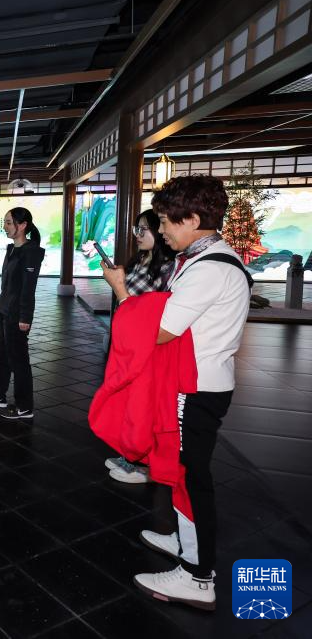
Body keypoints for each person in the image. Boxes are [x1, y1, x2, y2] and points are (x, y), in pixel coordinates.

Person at [102, 175, 250, 611]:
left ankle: (198, 576)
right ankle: (187, 544)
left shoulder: (208, 270)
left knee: (190, 478)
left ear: (193, 219)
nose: (162, 229)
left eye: (167, 220)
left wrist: (120, 291)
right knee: (182, 469)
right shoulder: (207, 258)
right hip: (200, 381)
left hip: (197, 387)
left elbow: (160, 331)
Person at [100, 209, 176, 484]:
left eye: (145, 229)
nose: (138, 235)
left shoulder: (167, 268)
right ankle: (131, 454)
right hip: (128, 341)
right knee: (129, 403)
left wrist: (119, 287)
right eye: (137, 229)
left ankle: (144, 464)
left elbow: (146, 310)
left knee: (146, 407)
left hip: (148, 345)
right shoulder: (140, 260)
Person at [0, 207, 45, 420]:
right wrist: (2, 300)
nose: (4, 227)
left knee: (18, 360)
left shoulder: (31, 252)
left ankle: (24, 406)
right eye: (5, 222)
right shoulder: (12, 249)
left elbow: (28, 288)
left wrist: (25, 317)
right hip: (5, 309)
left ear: (22, 226)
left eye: (8, 223)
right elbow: (10, 283)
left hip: (17, 314)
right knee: (1, 356)